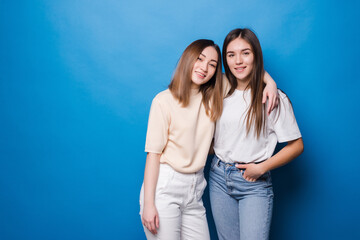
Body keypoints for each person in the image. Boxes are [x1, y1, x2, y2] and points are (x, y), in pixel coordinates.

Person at [139, 39, 278, 240]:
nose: (204, 68)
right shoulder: (163, 101)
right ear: (188, 59)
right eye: (200, 59)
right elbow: (153, 155)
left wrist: (271, 83)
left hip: (196, 188)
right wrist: (149, 203)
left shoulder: (215, 92)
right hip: (165, 186)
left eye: (212, 65)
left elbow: (245, 70)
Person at [209, 28, 304, 240]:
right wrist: (269, 78)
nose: (238, 61)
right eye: (231, 55)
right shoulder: (220, 87)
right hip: (218, 177)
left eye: (246, 53)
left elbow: (297, 146)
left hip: (253, 182)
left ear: (256, 56)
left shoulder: (272, 97)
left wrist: (261, 167)